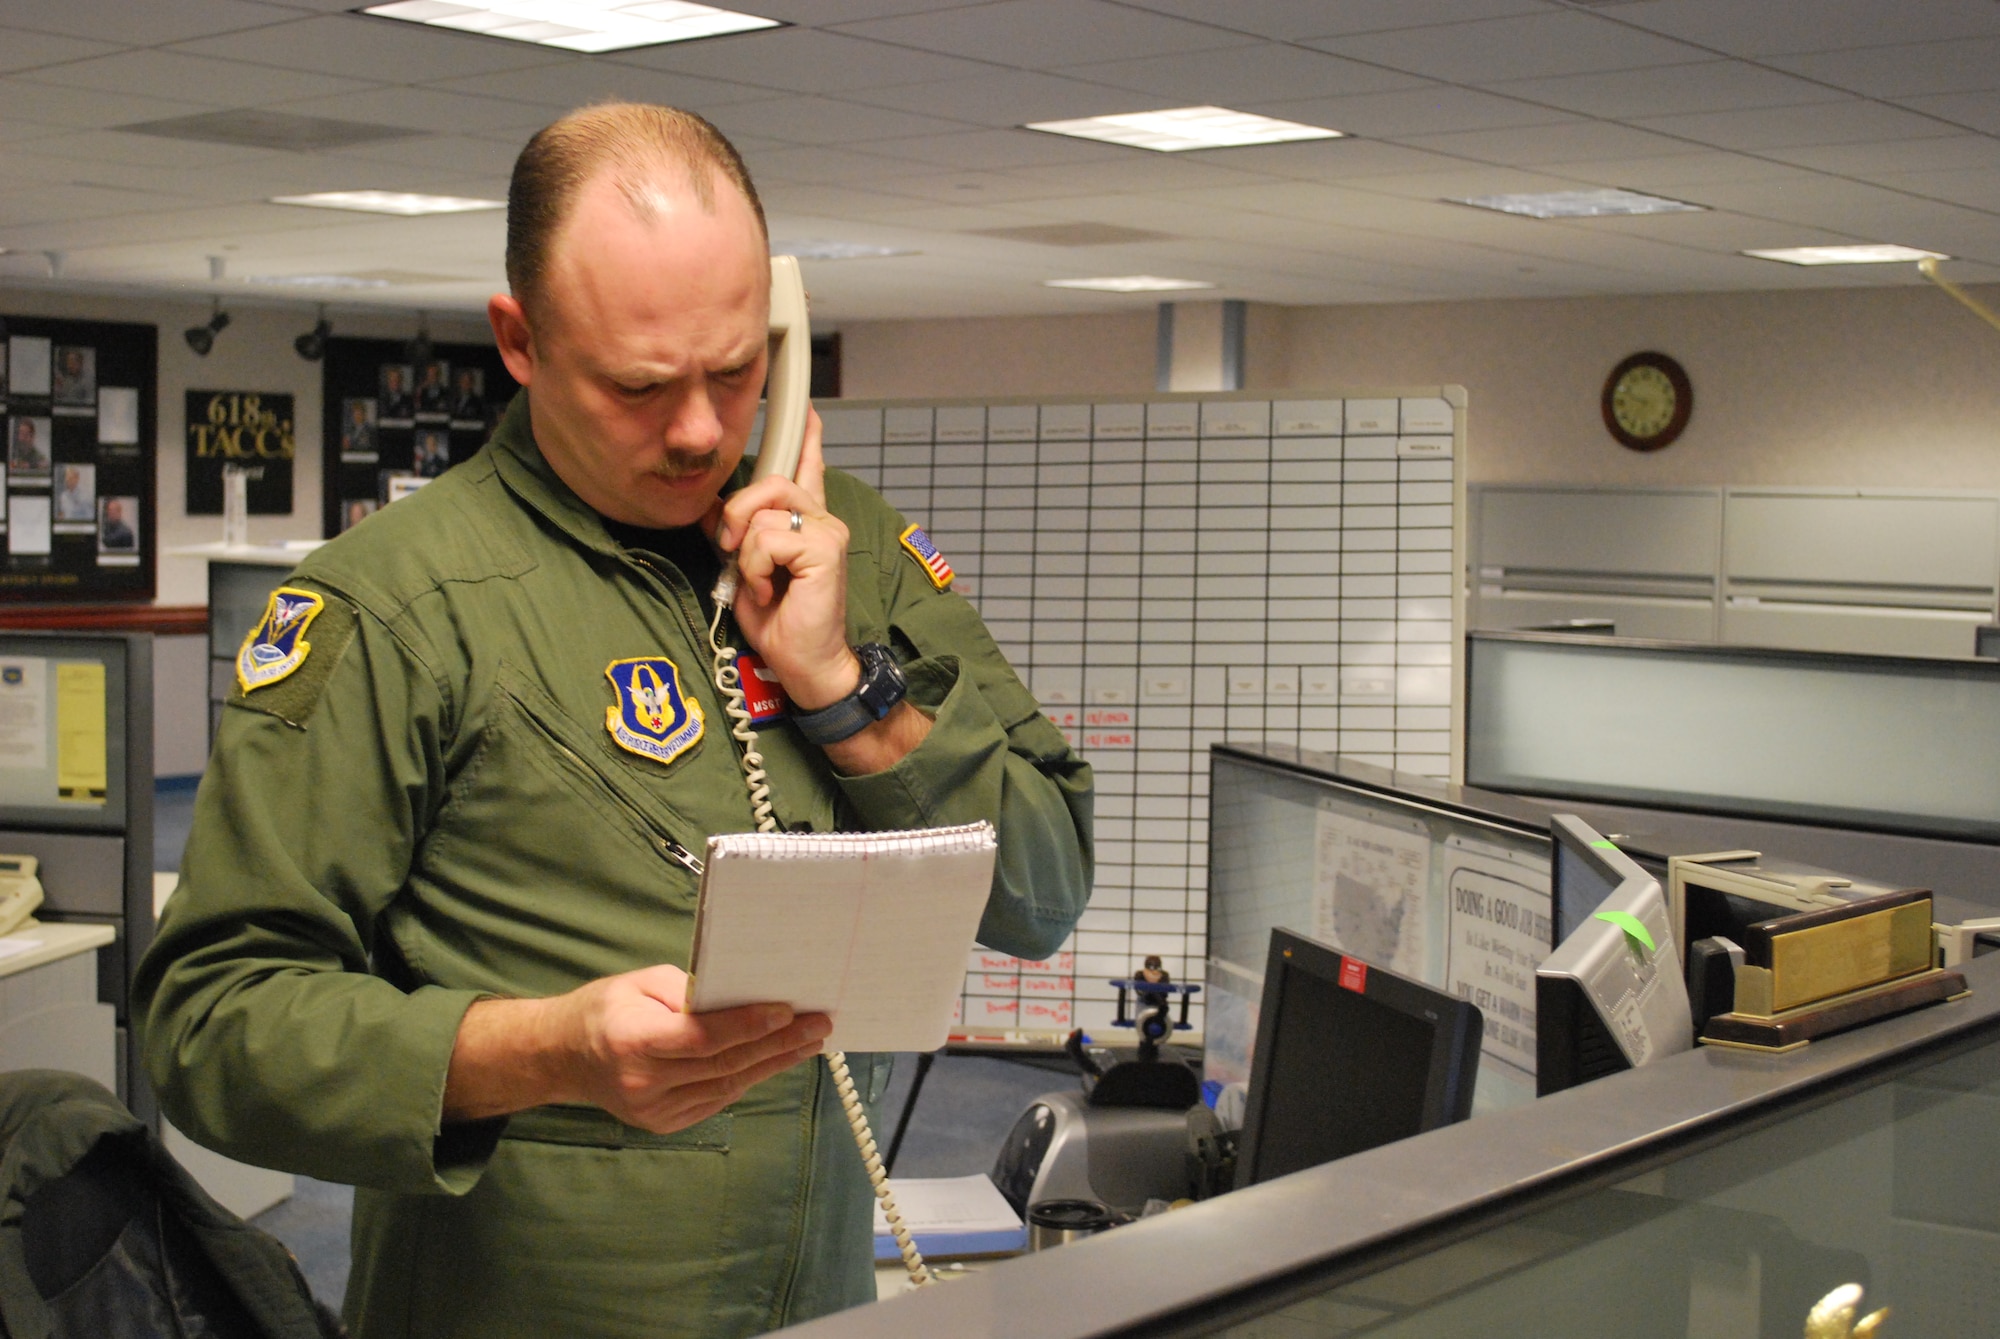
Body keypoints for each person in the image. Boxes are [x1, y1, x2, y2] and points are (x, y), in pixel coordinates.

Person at [136, 103, 1093, 1339]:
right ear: (519, 340)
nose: (699, 430)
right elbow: (211, 1023)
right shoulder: (392, 604)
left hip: (814, 1301)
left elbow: (1042, 892)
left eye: (739, 368)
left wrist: (842, 686)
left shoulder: (847, 549)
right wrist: (536, 1050)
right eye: (639, 385)